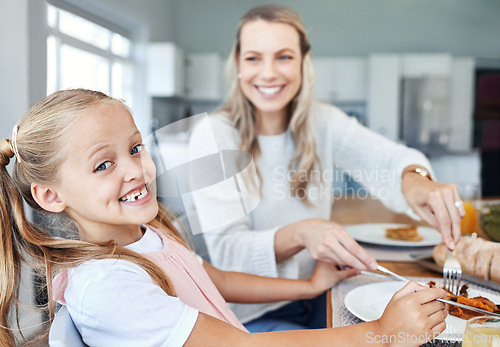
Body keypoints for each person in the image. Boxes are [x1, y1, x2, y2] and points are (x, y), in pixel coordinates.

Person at [0, 89, 447, 346]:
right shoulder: (107, 285)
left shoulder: (141, 234)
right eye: (104, 165)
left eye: (135, 148)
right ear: (50, 195)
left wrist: (308, 286)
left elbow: (213, 278)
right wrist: (380, 334)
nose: (136, 169)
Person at [188, 5, 463, 332]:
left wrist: (417, 181)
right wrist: (301, 233)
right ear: (236, 64)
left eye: (284, 57)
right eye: (253, 58)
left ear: (304, 62)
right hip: (249, 315)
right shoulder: (213, 136)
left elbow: (385, 160)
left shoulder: (323, 122)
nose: (269, 73)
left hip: (323, 292)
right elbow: (228, 254)